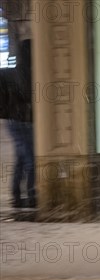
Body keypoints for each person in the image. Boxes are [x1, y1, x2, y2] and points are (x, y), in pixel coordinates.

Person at [0, 37, 35, 209]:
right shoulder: (27, 72)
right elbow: (27, 96)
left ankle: (16, 195)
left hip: (14, 121)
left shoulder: (16, 70)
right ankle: (32, 195)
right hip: (23, 120)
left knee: (21, 159)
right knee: (31, 160)